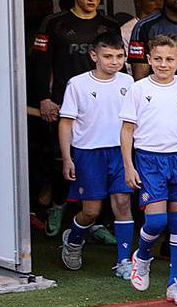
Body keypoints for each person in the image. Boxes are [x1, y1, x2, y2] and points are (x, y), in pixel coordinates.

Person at [120, 34, 177, 304]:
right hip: (149, 160)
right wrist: (129, 165)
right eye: (158, 59)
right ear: (148, 59)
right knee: (156, 221)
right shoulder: (139, 89)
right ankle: (142, 256)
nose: (163, 64)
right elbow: (127, 130)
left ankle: (175, 283)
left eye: (169, 59)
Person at [57, 30, 136, 275]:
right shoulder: (77, 84)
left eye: (119, 56)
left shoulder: (129, 83)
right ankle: (74, 238)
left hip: (120, 152)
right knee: (91, 210)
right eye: (108, 56)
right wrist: (67, 157)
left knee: (123, 203)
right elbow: (66, 123)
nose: (115, 62)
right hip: (88, 153)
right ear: (94, 56)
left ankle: (124, 262)